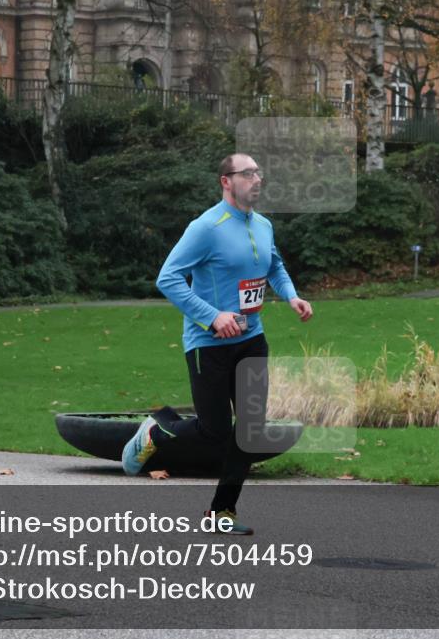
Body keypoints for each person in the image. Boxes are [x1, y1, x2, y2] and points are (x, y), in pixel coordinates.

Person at [121, 153, 313, 535]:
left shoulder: (263, 225)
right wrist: (212, 316)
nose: (257, 179)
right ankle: (156, 432)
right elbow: (168, 278)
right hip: (207, 344)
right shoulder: (205, 227)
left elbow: (274, 264)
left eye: (259, 172)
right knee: (214, 431)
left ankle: (221, 511)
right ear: (226, 181)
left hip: (252, 339)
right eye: (247, 173)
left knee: (250, 429)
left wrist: (290, 295)